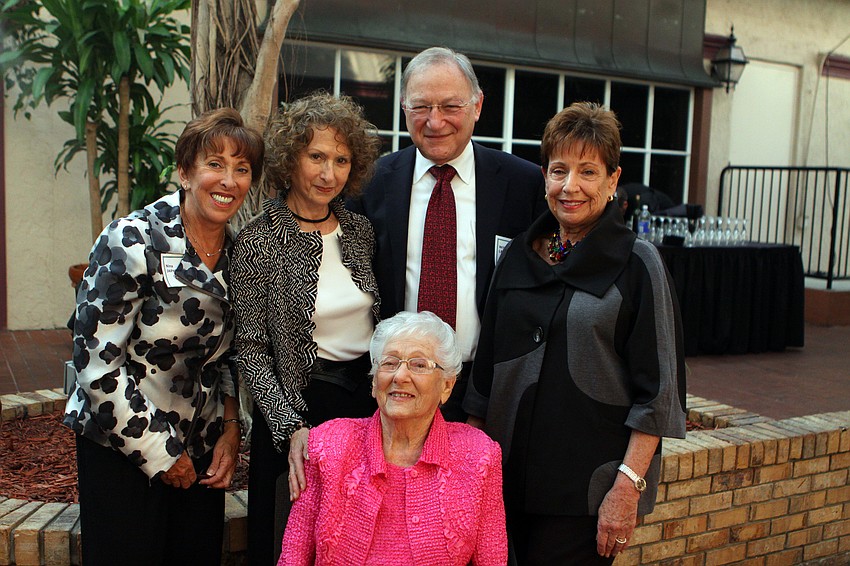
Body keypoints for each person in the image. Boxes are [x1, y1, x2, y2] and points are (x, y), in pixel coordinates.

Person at [463, 102, 687, 564]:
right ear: (544, 175)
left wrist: (627, 488)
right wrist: (473, 477)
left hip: (585, 492)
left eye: (588, 172)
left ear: (612, 179)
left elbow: (658, 396)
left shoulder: (637, 262)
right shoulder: (517, 256)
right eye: (559, 170)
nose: (571, 186)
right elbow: (484, 380)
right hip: (503, 485)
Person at [64, 108, 264, 566]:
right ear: (185, 171)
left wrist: (231, 430)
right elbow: (96, 364)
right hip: (123, 446)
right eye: (215, 164)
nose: (228, 180)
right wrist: (161, 452)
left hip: (200, 450)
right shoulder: (133, 239)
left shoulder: (240, 253)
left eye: (242, 168)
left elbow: (230, 357)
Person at [348, 46, 548, 423]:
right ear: (404, 107)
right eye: (421, 107)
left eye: (450, 107)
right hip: (395, 387)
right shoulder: (370, 183)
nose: (435, 121)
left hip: (484, 386)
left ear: (477, 106)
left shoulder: (524, 185)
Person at [230, 91, 383, 566]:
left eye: (340, 159)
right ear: (290, 158)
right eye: (316, 156)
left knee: (355, 543)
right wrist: (290, 426)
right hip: (298, 410)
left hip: (364, 411)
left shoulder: (360, 231)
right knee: (288, 543)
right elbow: (251, 350)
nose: (328, 173)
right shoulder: (259, 238)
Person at [279, 311, 507, 566]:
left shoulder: (479, 454)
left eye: (419, 365)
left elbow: (493, 558)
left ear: (446, 387)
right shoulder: (328, 444)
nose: (400, 376)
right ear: (375, 382)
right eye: (389, 363)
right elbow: (292, 557)